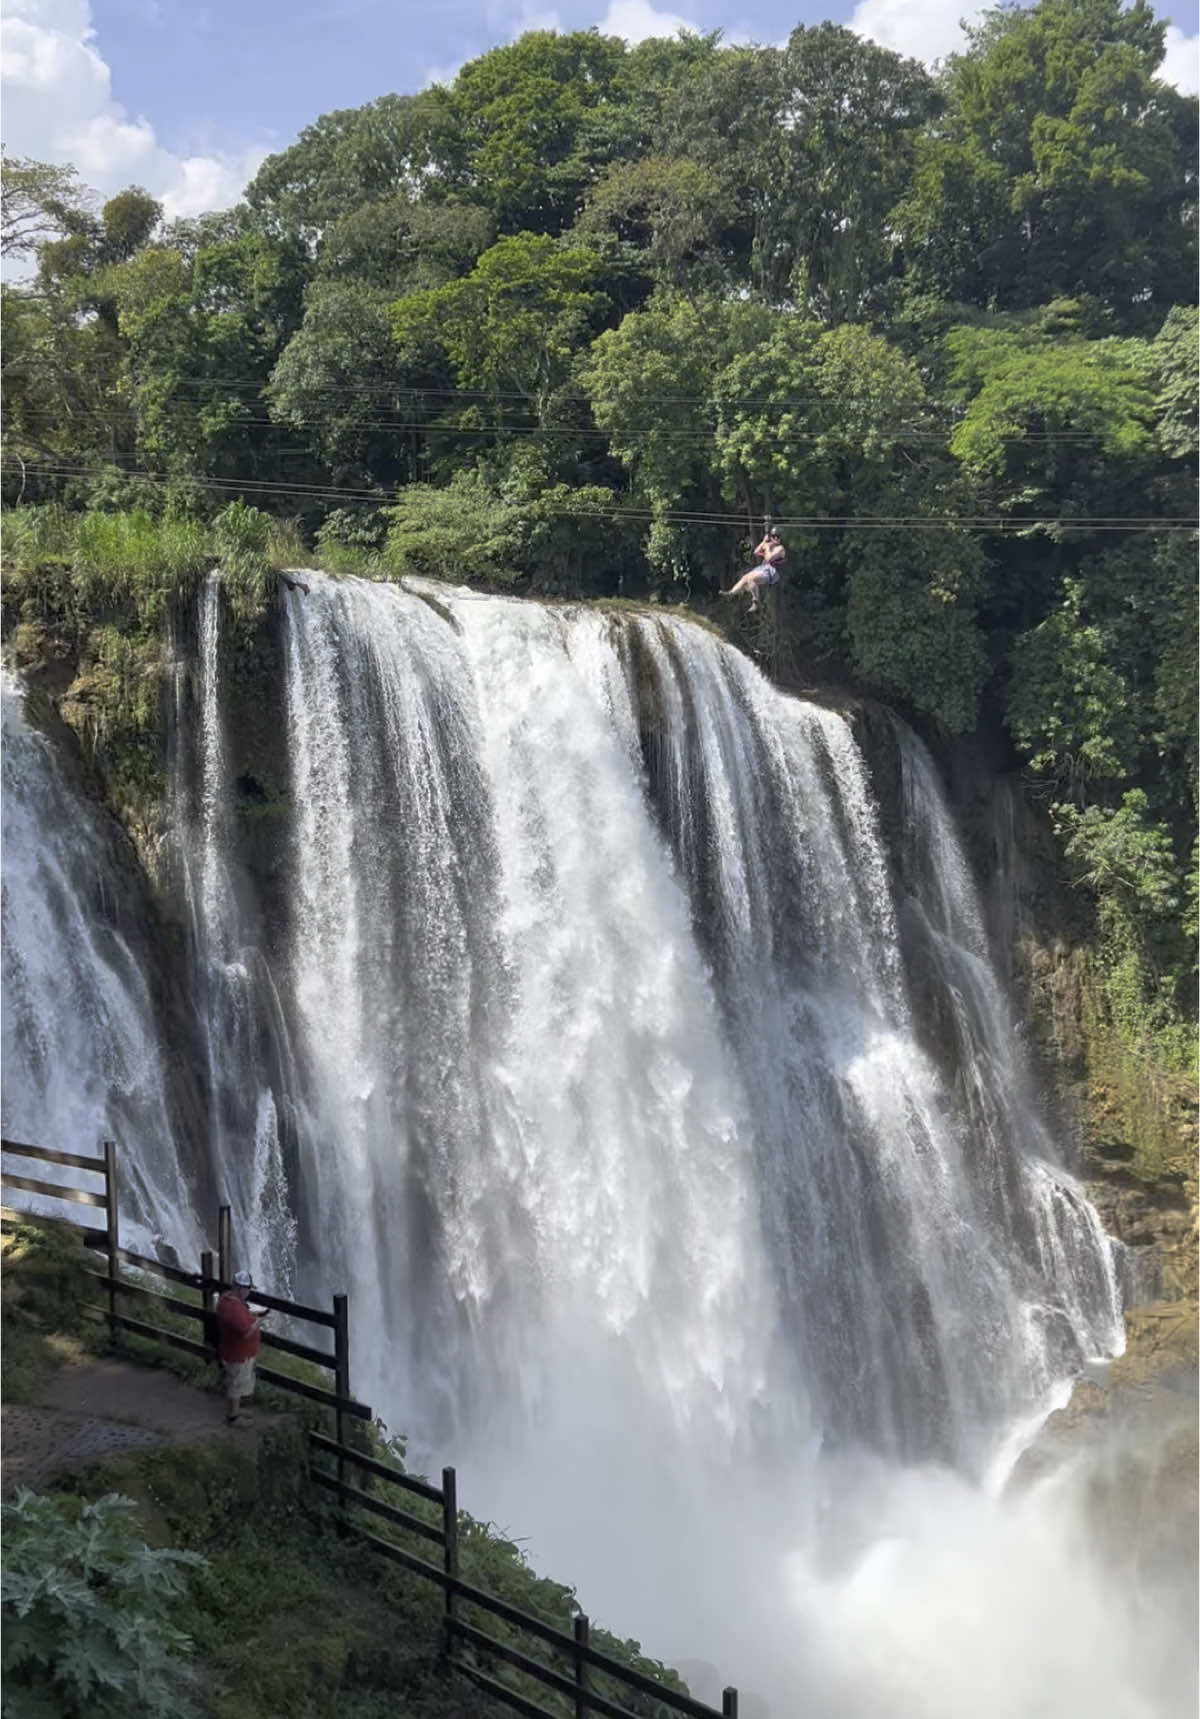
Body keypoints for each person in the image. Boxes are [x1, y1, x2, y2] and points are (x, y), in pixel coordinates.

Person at [215, 1269, 268, 1424]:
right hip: (237, 1354)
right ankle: (233, 1417)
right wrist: (260, 1320)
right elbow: (245, 1332)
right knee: (236, 1385)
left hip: (233, 1351)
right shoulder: (233, 1308)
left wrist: (253, 1317)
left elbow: (239, 1323)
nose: (249, 1292)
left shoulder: (227, 1301)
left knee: (235, 1383)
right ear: (239, 1288)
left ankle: (236, 1410)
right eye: (247, 1289)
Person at [720, 532, 785, 611]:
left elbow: (769, 558)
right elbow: (756, 552)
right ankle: (731, 593)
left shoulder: (780, 548)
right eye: (774, 536)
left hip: (771, 571)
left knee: (751, 579)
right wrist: (764, 542)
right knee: (745, 577)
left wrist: (767, 548)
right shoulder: (768, 546)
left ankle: (756, 602)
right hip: (763, 568)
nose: (776, 539)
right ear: (771, 538)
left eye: (778, 537)